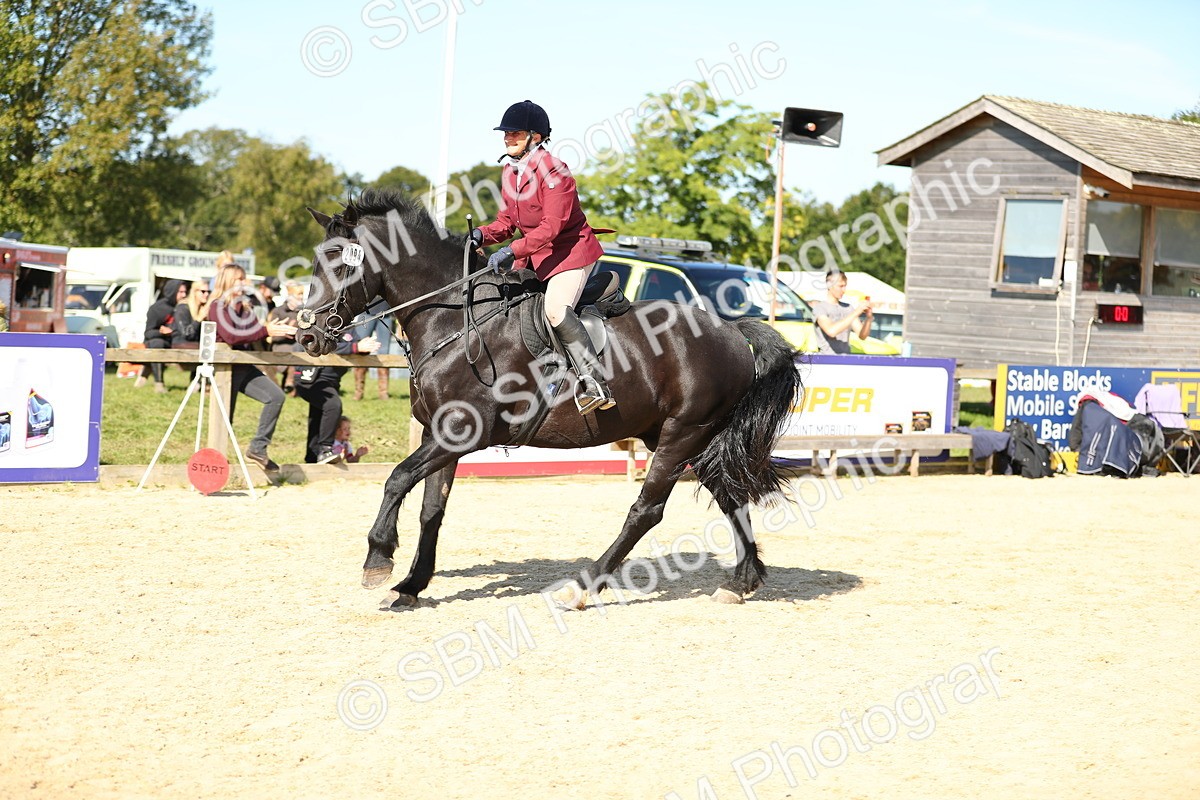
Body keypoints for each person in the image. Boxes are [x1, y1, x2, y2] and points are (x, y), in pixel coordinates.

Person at [472, 100, 614, 415]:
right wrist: (482, 234)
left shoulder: (555, 172)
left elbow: (551, 227)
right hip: (538, 256)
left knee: (554, 310)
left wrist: (513, 250)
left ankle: (595, 382)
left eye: (515, 133)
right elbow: (506, 223)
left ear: (536, 137)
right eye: (505, 133)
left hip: (571, 253)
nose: (507, 138)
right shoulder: (511, 171)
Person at [208, 264, 297, 473]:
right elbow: (231, 336)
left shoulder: (244, 306)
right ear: (228, 281)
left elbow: (253, 332)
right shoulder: (217, 305)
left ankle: (258, 448)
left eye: (244, 279)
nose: (244, 283)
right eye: (239, 279)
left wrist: (275, 329)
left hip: (244, 366)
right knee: (224, 419)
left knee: (276, 396)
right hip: (225, 370)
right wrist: (266, 329)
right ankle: (214, 465)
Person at [293, 330, 380, 464]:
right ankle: (325, 450)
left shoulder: (348, 327)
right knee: (333, 405)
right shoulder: (323, 321)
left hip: (331, 382)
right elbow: (321, 345)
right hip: (311, 378)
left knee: (318, 417)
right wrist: (355, 347)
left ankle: (312, 458)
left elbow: (357, 344)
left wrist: (365, 347)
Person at [136, 279, 187, 393]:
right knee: (157, 344)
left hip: (178, 340)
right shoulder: (157, 308)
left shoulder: (185, 306)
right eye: (180, 292)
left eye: (185, 292)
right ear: (172, 292)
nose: (184, 295)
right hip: (157, 342)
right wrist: (162, 332)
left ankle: (198, 384)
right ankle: (159, 383)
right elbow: (148, 333)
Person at [812, 269, 874, 355]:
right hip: (826, 361)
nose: (844, 290)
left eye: (845, 286)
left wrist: (869, 318)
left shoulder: (848, 308)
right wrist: (857, 311)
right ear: (829, 285)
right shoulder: (820, 308)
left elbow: (862, 336)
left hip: (845, 361)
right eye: (840, 286)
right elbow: (831, 331)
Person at [351, 298, 395, 401]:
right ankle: (358, 391)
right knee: (361, 351)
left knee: (384, 352)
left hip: (385, 314)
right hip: (365, 312)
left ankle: (383, 392)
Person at [268, 280, 305, 394]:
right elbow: (273, 337)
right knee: (294, 352)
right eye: (299, 294)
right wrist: (287, 331)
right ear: (290, 295)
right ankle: (290, 382)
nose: (301, 297)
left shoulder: (304, 312)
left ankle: (292, 383)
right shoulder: (278, 311)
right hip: (281, 344)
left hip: (298, 344)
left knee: (298, 349)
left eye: (302, 294)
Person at [170, 280, 211, 348]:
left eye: (208, 292)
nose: (206, 294)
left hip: (198, 349)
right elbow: (186, 333)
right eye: (203, 291)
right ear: (194, 292)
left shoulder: (203, 309)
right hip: (181, 349)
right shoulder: (183, 308)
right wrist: (199, 319)